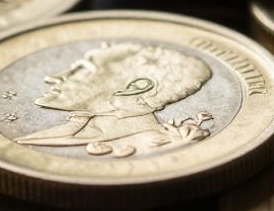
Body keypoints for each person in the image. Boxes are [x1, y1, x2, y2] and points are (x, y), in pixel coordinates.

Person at [16, 42, 214, 157]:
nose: (57, 76)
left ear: (135, 87)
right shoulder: (81, 126)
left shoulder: (151, 143)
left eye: (82, 69)